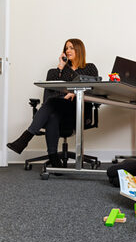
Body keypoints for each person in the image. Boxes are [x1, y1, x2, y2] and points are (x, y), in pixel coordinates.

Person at [7, 38, 98, 167]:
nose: (68, 50)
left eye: (71, 48)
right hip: (57, 109)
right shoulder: (55, 71)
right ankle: (54, 159)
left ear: (79, 50)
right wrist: (60, 67)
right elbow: (50, 90)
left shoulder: (89, 68)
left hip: (77, 111)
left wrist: (76, 92)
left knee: (52, 103)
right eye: (66, 48)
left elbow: (93, 90)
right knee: (52, 113)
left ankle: (25, 138)